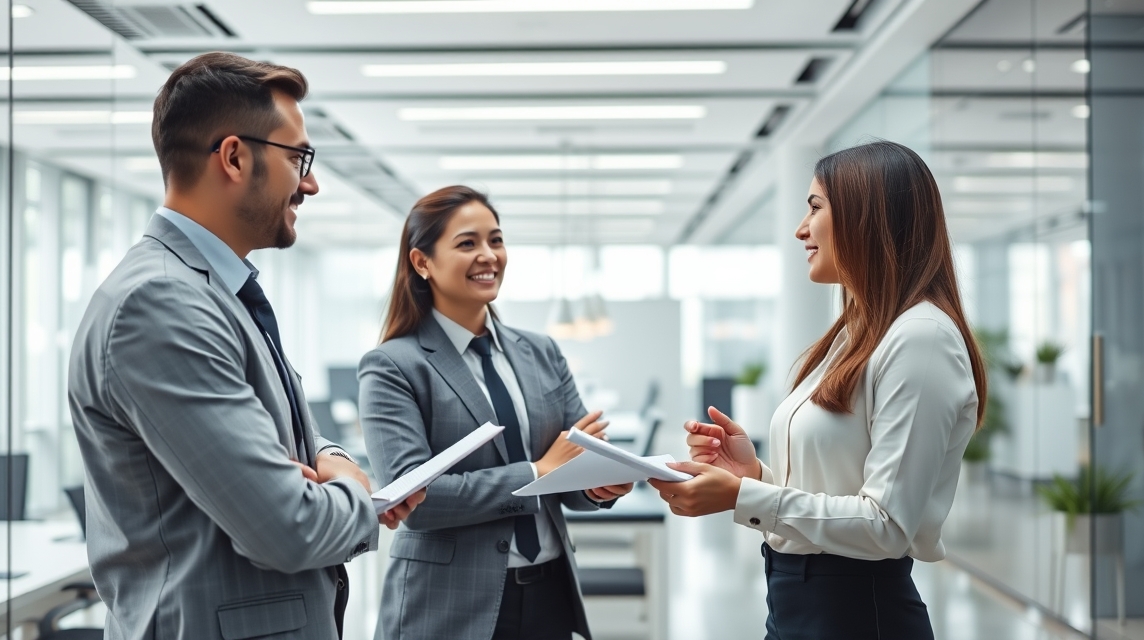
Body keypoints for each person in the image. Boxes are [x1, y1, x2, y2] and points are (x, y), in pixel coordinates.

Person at [67, 52, 422, 640]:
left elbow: (285, 427)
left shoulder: (214, 291)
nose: (310, 182)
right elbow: (289, 528)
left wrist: (331, 458)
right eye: (299, 157)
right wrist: (360, 492)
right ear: (234, 156)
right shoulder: (160, 305)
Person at [650, 140, 986, 640]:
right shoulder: (858, 332)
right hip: (796, 603)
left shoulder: (922, 339)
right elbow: (837, 487)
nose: (800, 228)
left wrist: (745, 496)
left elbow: (886, 526)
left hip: (856, 612)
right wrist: (753, 473)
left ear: (865, 217)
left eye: (814, 207)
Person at [358, 185, 633, 640]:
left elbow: (575, 466)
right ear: (421, 262)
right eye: (468, 243)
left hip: (549, 593)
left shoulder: (541, 352)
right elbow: (414, 500)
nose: (489, 255)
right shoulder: (393, 365)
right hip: (447, 603)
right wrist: (537, 472)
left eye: (496, 240)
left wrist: (600, 484)